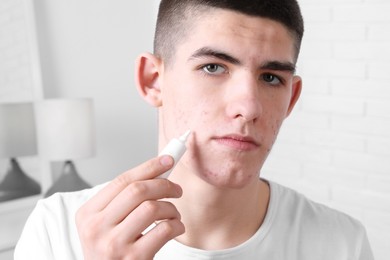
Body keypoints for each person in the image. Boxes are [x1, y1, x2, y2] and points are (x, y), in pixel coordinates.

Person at [15, 0, 374, 259]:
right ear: (153, 81)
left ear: (291, 98)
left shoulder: (342, 243)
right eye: (214, 68)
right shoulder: (57, 231)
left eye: (270, 77)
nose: (248, 107)